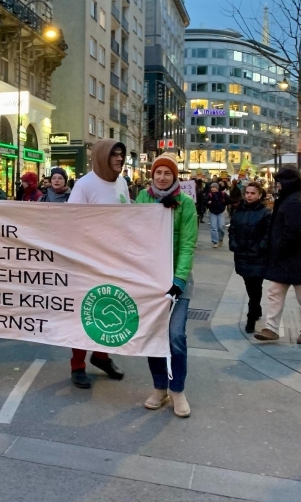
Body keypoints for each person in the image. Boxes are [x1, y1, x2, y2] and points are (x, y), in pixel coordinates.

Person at [136, 153, 197, 418]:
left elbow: (187, 243)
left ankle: (178, 390)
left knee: (175, 336)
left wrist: (179, 280)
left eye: (167, 173)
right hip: (150, 280)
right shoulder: (142, 199)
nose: (162, 177)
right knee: (154, 335)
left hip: (177, 281)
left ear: (175, 177)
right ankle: (160, 387)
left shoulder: (185, 204)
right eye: (158, 172)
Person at [66, 139, 130, 388]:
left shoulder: (122, 183)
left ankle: (101, 356)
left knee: (110, 309)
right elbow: (72, 223)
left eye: (121, 155)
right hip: (90, 261)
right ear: (102, 156)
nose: (119, 159)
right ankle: (77, 364)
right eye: (114, 155)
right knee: (85, 312)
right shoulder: (84, 185)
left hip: (116, 260)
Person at [255, 165, 301, 345]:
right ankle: (272, 328)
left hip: (297, 257)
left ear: (287, 182)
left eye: (279, 182)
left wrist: (277, 249)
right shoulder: (294, 198)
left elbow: (292, 233)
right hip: (295, 257)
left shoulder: (294, 202)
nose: (277, 186)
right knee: (278, 292)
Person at [228, 182, 271, 333]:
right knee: (249, 284)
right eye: (247, 193)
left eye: (253, 193)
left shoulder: (265, 212)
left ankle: (251, 316)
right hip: (242, 254)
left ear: (259, 195)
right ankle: (256, 308)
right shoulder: (239, 210)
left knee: (255, 286)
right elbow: (232, 228)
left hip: (258, 255)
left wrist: (261, 246)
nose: (249, 196)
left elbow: (268, 233)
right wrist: (233, 243)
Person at [207, 182, 229, 248]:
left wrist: (224, 203)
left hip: (220, 212)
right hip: (212, 212)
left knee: (221, 227)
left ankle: (220, 239)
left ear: (217, 188)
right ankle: (215, 242)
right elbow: (205, 202)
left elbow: (229, 200)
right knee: (213, 227)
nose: (213, 189)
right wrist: (208, 203)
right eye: (212, 187)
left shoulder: (223, 194)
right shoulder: (209, 195)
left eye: (214, 187)